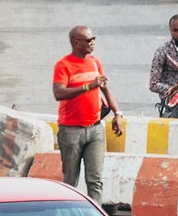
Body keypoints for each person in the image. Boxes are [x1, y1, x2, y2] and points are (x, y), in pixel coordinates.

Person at [52, 25, 124, 202]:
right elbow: (58, 93)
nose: (92, 43)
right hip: (71, 130)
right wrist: (88, 86)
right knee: (70, 180)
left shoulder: (95, 62)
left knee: (95, 180)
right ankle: (67, 212)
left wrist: (117, 113)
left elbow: (104, 88)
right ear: (76, 43)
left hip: (95, 129)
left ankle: (96, 215)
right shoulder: (64, 65)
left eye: (93, 39)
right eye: (88, 40)